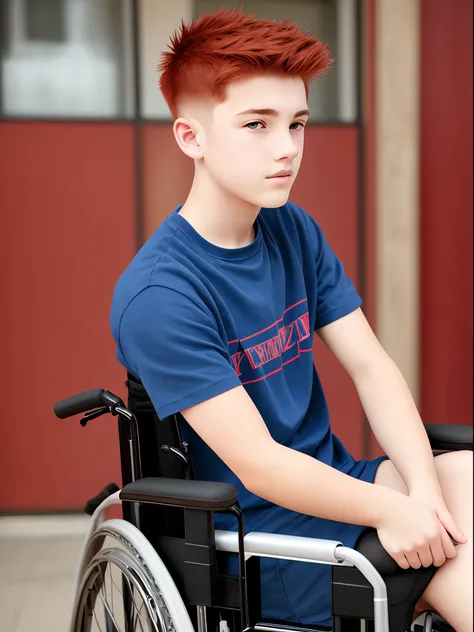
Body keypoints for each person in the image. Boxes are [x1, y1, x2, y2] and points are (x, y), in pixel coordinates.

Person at [110, 8, 472, 631]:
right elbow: (259, 464)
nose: (287, 149)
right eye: (256, 124)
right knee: (460, 563)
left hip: (334, 482)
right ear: (190, 136)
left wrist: (424, 497)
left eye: (297, 123)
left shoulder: (290, 228)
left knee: (461, 479)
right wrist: (396, 512)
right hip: (259, 537)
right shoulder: (159, 294)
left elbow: (371, 367)